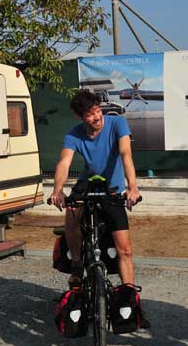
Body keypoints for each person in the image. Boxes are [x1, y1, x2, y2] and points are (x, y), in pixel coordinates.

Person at [50, 89, 149, 328]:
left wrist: (132, 187)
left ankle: (132, 304)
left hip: (112, 190)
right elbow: (64, 162)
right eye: (90, 114)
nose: (97, 117)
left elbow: (126, 154)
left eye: (97, 111)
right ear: (79, 116)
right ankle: (77, 264)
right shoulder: (74, 135)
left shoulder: (117, 123)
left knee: (124, 250)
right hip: (88, 184)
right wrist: (57, 189)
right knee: (72, 212)